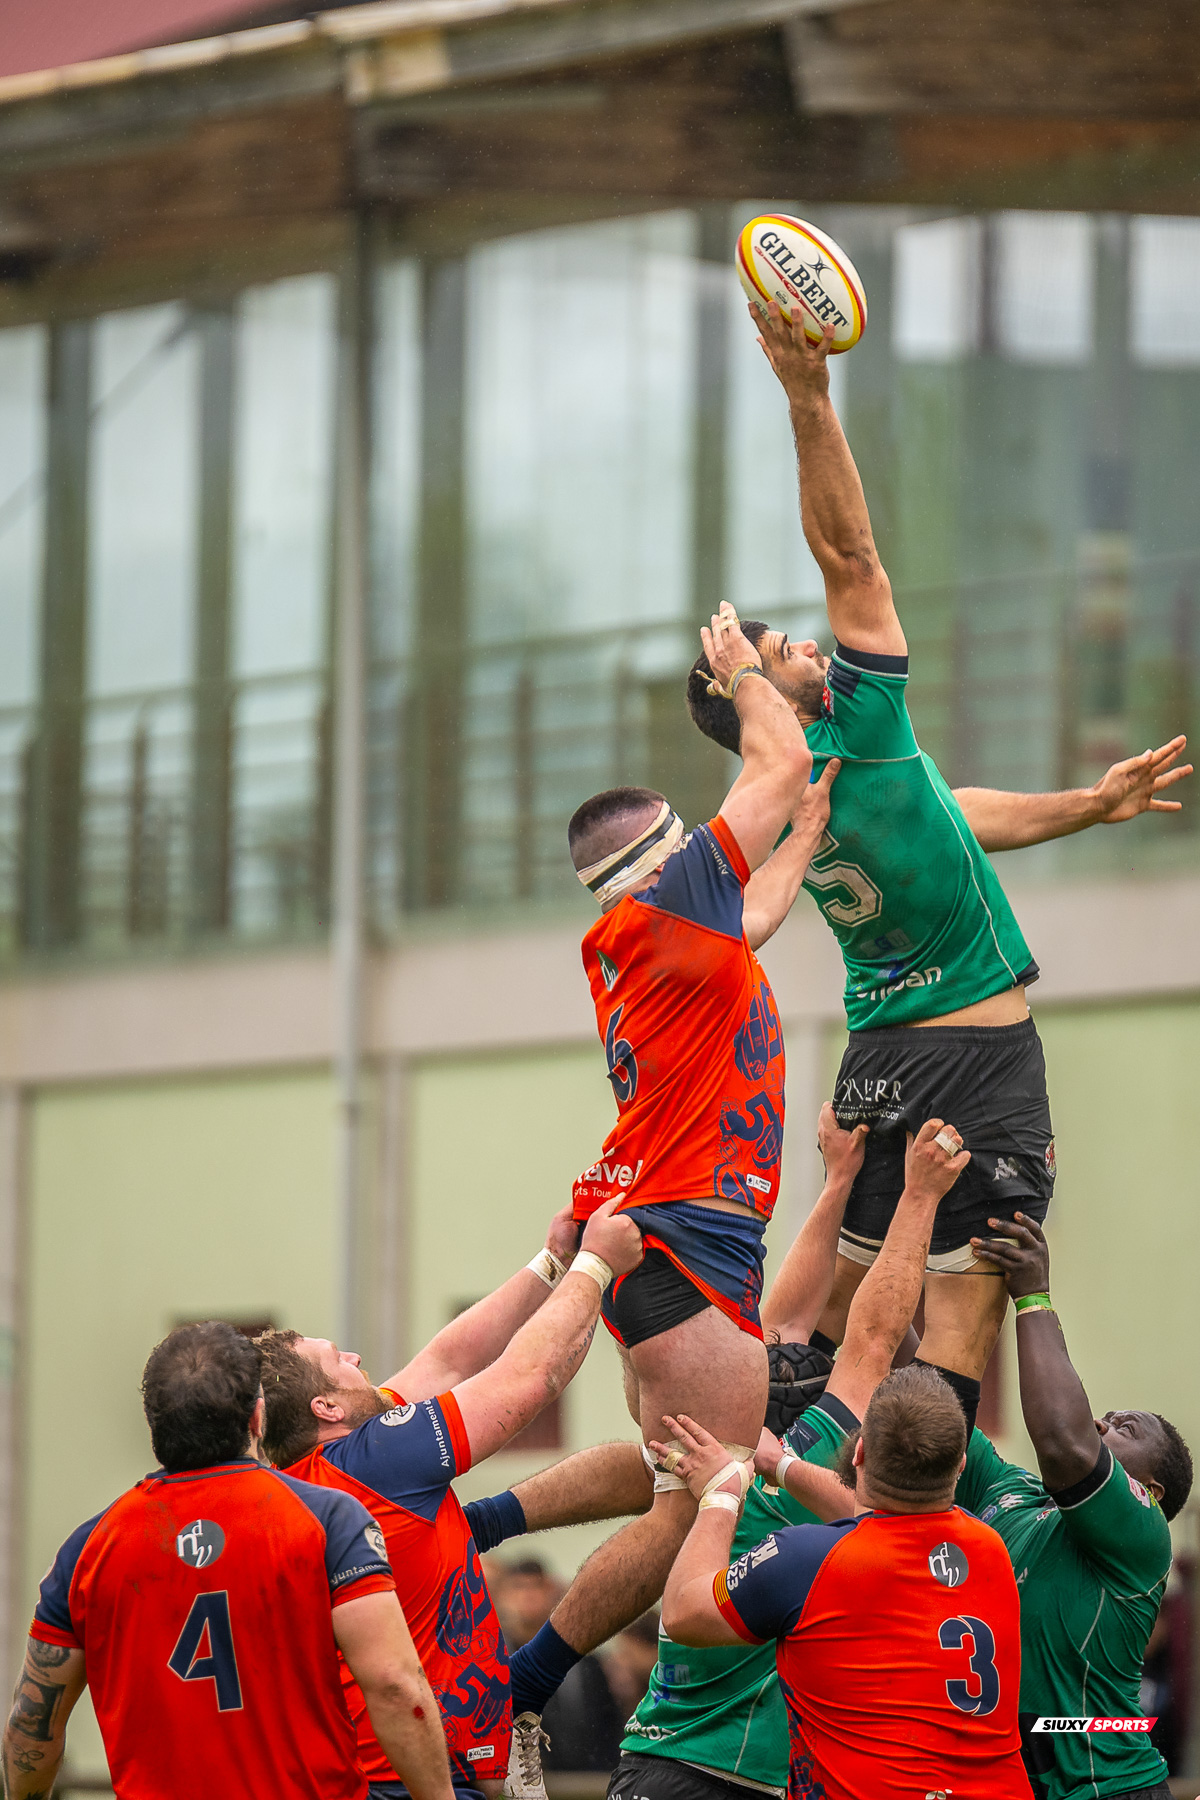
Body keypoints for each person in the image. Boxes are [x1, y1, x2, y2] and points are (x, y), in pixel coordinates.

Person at [686, 299, 1192, 1436]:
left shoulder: (765, 805)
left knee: (848, 1322)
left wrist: (1088, 807)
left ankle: (805, 1492)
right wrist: (809, 398)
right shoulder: (851, 725)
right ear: (758, 696)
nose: (809, 642)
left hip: (875, 1061)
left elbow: (950, 817)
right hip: (979, 1051)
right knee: (956, 1324)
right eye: (781, 652)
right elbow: (851, 553)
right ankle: (914, 1532)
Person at [502, 603, 838, 1797]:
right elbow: (780, 756)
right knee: (706, 1492)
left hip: (667, 1223)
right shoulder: (671, 901)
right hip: (694, 1228)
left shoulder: (665, 929)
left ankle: (484, 1531)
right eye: (697, 836)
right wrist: (745, 672)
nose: (716, 841)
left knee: (663, 1479)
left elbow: (753, 916)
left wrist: (807, 828)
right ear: (668, 860)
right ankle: (519, 1688)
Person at [468, 1110, 971, 1800]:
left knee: (652, 1467)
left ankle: (475, 1532)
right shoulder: (820, 1476)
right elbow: (871, 1339)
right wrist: (918, 1197)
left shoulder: (714, 1457)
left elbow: (793, 1322)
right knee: (655, 1470)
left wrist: (844, 1182)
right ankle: (489, 1566)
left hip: (657, 1758)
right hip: (751, 1777)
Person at [256, 1195, 643, 1800]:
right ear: (325, 1407)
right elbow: (528, 1379)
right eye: (339, 1359)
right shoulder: (376, 1456)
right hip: (407, 1780)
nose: (356, 1357)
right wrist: (597, 1264)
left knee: (640, 1477)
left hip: (374, 1767)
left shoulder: (321, 1468)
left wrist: (553, 1261)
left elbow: (447, 1360)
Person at [3, 1321, 454, 1800]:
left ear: (155, 1422)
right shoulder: (326, 1518)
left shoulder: (89, 1548)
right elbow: (395, 1686)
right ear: (257, 1417)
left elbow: (32, 1725)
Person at [657, 1364, 1032, 1800]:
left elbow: (684, 1610)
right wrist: (781, 1465)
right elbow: (879, 1518)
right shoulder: (990, 1549)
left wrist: (720, 1494)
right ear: (961, 1463)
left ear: (858, 1453)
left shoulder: (805, 1561)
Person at [963, 1211, 1193, 1800]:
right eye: (1108, 1416)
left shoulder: (1144, 1538)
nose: (1102, 1422)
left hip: (1108, 1787)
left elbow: (1064, 1442)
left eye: (1126, 1429)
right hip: (1016, 1784)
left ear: (1151, 1492)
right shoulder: (1012, 1495)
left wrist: (1033, 1296)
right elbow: (936, 1404)